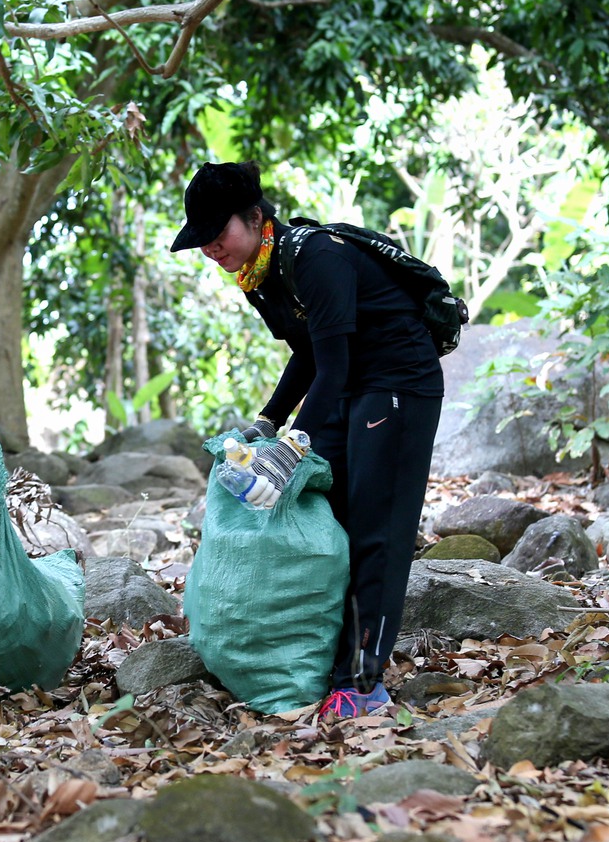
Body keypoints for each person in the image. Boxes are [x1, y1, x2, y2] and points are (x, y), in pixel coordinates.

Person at [171, 161, 444, 717]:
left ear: (254, 217)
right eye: (201, 241)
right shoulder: (260, 276)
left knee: (377, 532)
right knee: (333, 519)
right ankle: (327, 666)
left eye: (216, 235)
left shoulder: (315, 256)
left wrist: (290, 450)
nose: (211, 250)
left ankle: (362, 683)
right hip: (352, 385)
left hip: (397, 381)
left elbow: (335, 365)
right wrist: (268, 423)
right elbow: (310, 352)